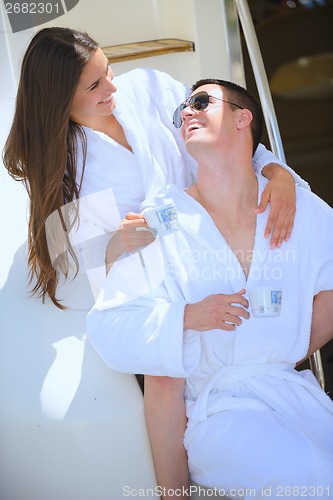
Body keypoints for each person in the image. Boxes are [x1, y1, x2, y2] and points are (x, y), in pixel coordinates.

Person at [2, 27, 310, 498]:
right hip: (158, 271)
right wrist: (117, 242)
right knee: (167, 370)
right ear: (58, 100)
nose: (113, 89)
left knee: (281, 312)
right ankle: (175, 492)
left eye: (108, 72)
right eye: (95, 86)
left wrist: (274, 170)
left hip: (223, 239)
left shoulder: (149, 89)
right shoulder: (66, 164)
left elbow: (224, 136)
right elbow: (70, 252)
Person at [86, 79, 333, 498]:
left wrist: (276, 349)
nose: (187, 112)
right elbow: (118, 333)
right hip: (220, 416)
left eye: (201, 102)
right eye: (182, 108)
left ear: (243, 118)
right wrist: (186, 317)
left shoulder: (294, 205)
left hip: (296, 401)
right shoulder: (159, 222)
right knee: (305, 477)